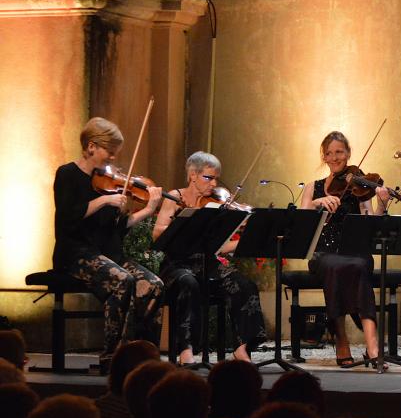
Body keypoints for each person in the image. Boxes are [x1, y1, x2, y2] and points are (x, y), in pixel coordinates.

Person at [53, 117, 164, 368]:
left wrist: (149, 209)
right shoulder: (67, 174)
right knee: (122, 280)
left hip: (107, 253)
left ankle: (144, 355)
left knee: (154, 284)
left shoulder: (107, 184)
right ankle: (114, 359)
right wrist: (105, 201)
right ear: (91, 146)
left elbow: (118, 228)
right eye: (109, 152)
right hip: (76, 255)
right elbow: (67, 217)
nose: (113, 158)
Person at [153, 151, 267, 364]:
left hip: (206, 262)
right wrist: (181, 224)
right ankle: (186, 349)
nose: (213, 183)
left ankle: (242, 348)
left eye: (216, 178)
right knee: (188, 283)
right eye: (208, 177)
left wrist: (251, 237)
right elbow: (158, 234)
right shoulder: (175, 197)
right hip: (177, 264)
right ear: (192, 175)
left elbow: (220, 247)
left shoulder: (215, 206)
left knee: (244, 284)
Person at [299, 131, 391, 367]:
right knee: (334, 266)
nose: (334, 157)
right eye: (329, 153)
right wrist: (317, 203)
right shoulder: (313, 187)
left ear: (348, 153)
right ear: (324, 157)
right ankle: (341, 339)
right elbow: (301, 224)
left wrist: (381, 202)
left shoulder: (360, 187)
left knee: (359, 264)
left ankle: (373, 346)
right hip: (323, 253)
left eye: (339, 152)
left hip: (354, 251)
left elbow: (371, 222)